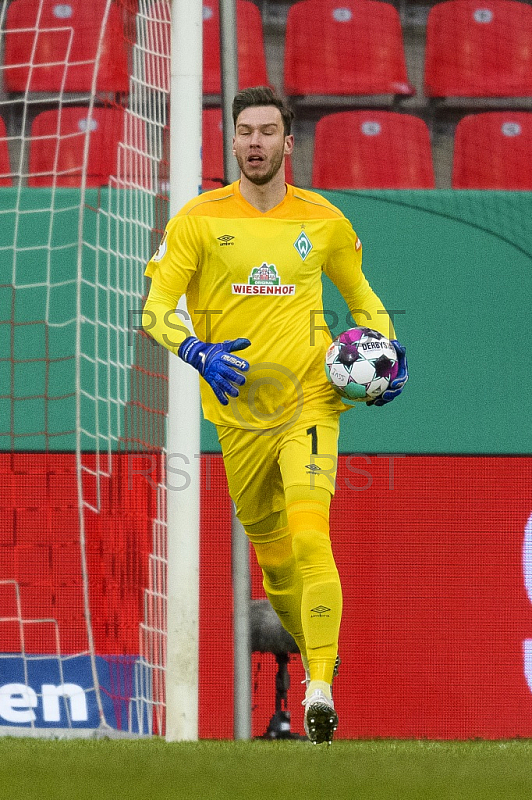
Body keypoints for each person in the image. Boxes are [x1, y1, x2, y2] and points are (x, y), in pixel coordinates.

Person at [142, 86, 408, 744]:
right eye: (245, 132)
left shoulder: (324, 221)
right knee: (277, 566)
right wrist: (197, 350)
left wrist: (388, 357)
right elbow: (155, 311)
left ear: (289, 143)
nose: (255, 142)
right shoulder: (198, 221)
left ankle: (320, 683)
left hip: (310, 401)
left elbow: (366, 303)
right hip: (238, 417)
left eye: (267, 131)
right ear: (232, 142)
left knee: (311, 533)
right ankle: (319, 649)